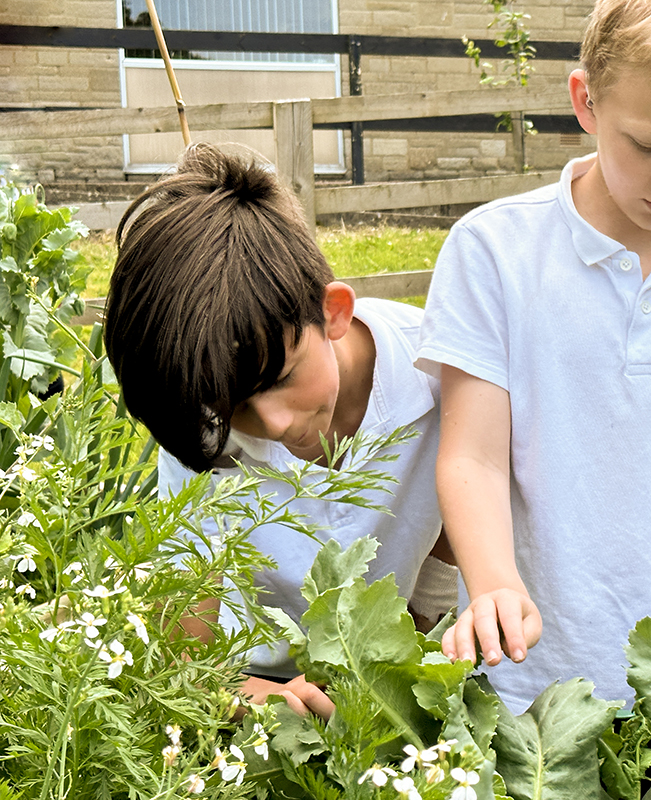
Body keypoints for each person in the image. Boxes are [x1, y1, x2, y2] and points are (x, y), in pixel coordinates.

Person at [415, 0, 651, 711]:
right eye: (650, 146)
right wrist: (495, 581)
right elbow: (472, 456)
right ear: (585, 102)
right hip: (522, 685)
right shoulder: (494, 252)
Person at [104, 143, 456, 720]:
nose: (274, 425)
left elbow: (447, 547)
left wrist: (408, 669)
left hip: (417, 665)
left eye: (283, 379)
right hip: (261, 679)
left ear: (333, 313)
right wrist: (247, 702)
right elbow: (184, 656)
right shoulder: (200, 426)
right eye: (236, 409)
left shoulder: (437, 370)